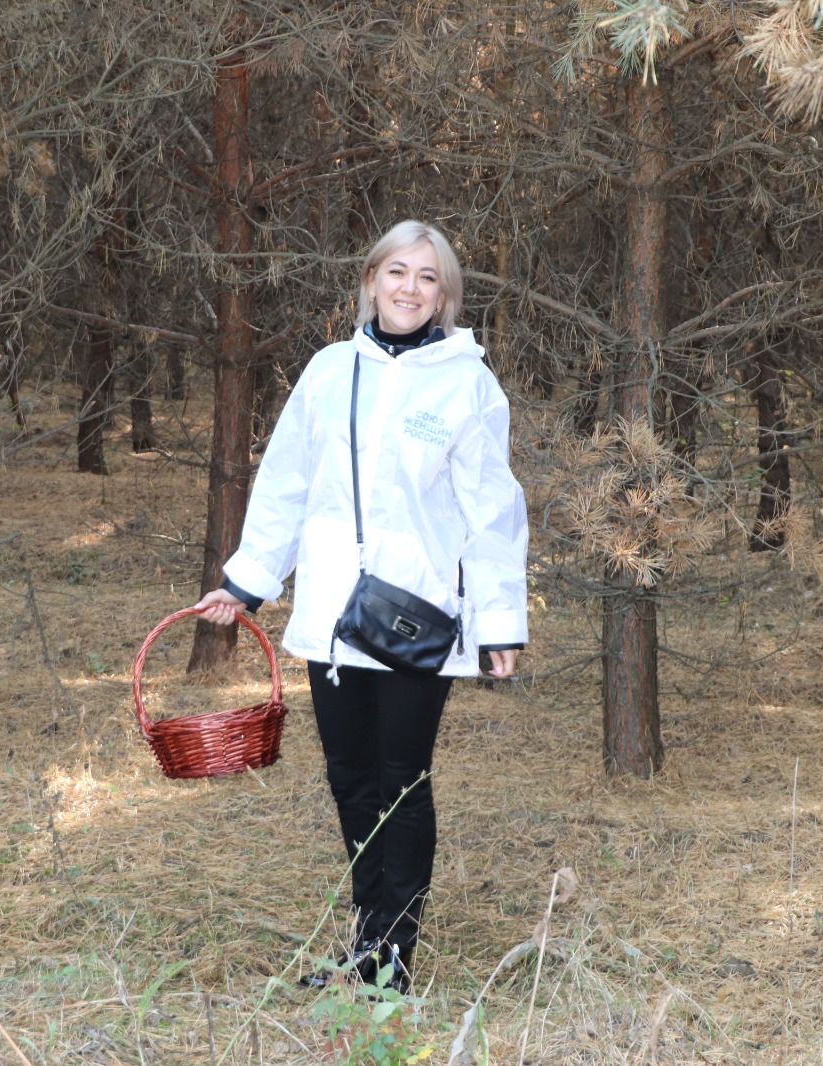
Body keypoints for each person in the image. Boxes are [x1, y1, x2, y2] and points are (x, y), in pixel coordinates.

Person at [194, 220, 528, 993]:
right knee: (351, 780)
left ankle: (393, 958)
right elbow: (284, 484)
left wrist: (499, 621)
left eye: (427, 278)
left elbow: (492, 509)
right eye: (396, 272)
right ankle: (367, 938)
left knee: (401, 777)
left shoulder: (466, 382)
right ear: (371, 279)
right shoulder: (328, 369)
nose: (409, 289)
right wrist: (248, 578)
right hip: (333, 619)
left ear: (445, 296)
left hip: (418, 616)